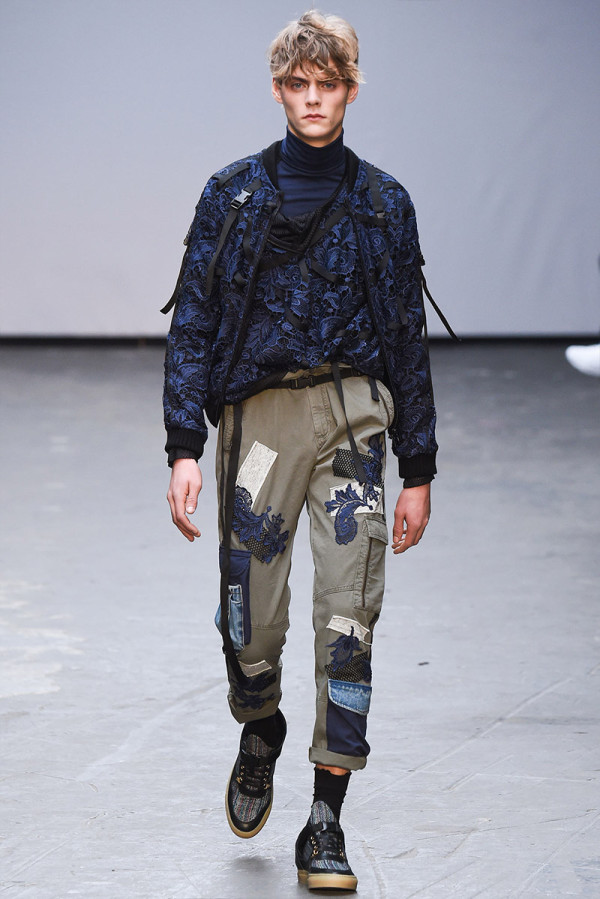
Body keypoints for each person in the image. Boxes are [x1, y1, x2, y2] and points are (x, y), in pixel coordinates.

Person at [162, 11, 441, 891]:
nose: (314, 99)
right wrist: (182, 444)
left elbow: (406, 336)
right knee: (249, 619)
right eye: (298, 85)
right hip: (259, 424)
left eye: (329, 85)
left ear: (351, 91)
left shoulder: (385, 203)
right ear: (280, 90)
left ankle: (326, 816)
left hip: (355, 418)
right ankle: (261, 719)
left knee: (350, 616)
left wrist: (419, 467)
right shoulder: (232, 195)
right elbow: (193, 321)